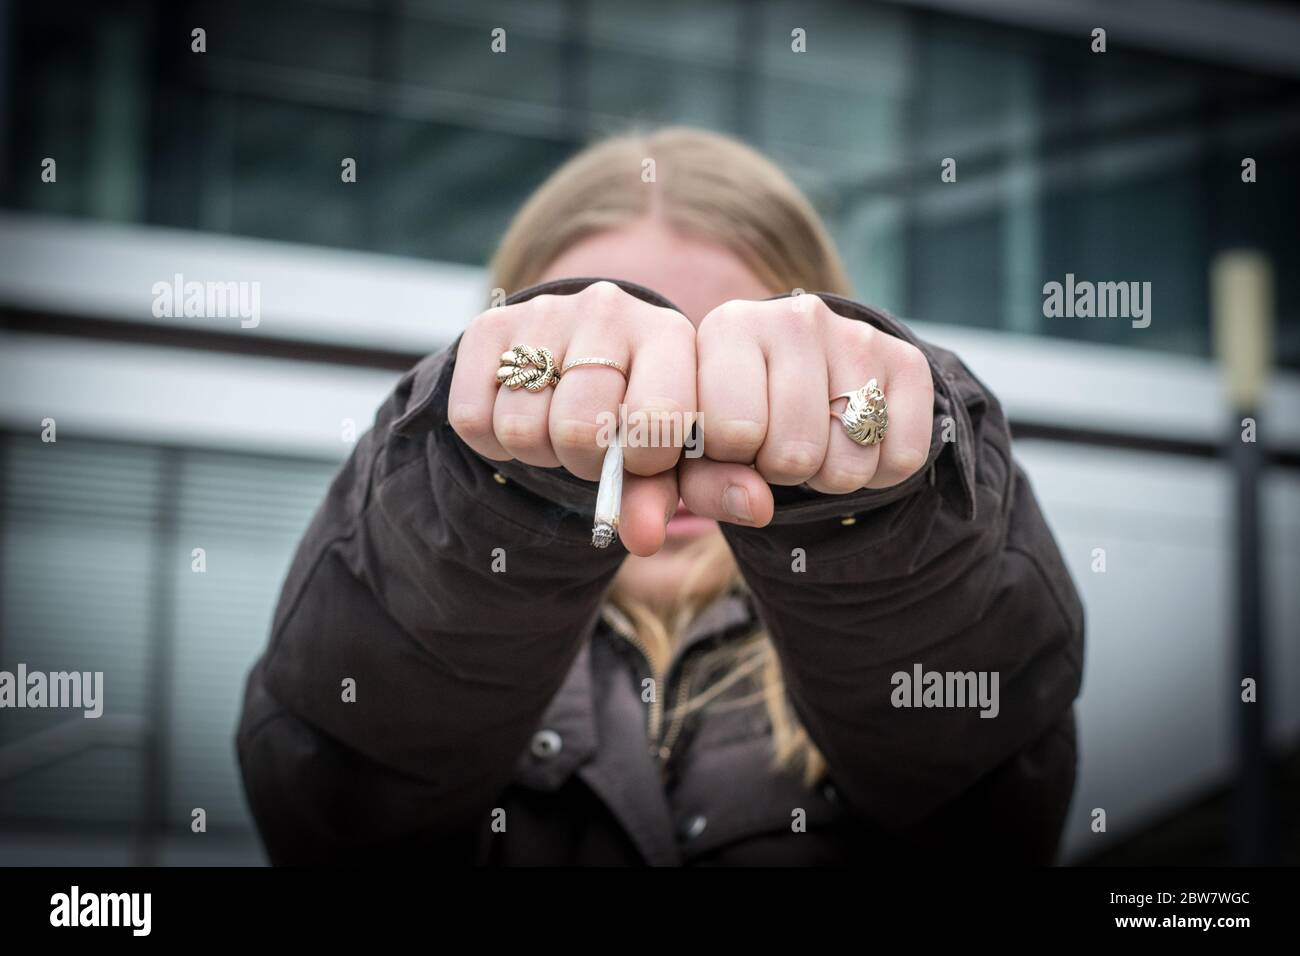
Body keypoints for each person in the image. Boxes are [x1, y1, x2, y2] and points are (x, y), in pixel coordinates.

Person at [236, 127, 1084, 865]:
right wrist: (484, 483)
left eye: (735, 361)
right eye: (597, 356)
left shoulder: (894, 671)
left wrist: (885, 504)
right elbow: (339, 797)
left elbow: (985, 792)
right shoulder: (451, 655)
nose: (663, 420)